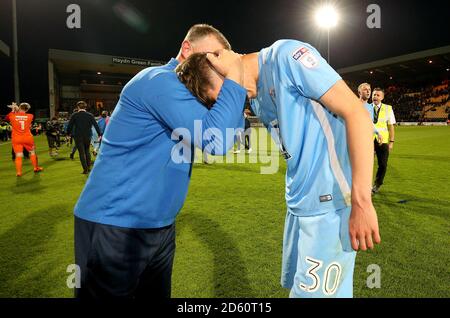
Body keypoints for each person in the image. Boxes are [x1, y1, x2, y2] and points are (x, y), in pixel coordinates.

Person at [177, 39, 381, 298]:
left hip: (329, 206)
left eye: (220, 95)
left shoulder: (287, 56)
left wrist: (361, 202)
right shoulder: (256, 96)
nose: (226, 104)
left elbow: (357, 113)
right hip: (298, 205)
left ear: (223, 65)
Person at [73, 24, 246, 299]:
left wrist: (238, 91)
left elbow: (231, 136)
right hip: (116, 222)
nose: (218, 66)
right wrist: (236, 77)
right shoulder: (157, 80)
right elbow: (216, 141)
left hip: (158, 225)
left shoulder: (192, 94)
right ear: (186, 49)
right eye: (212, 56)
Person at [5, 102, 43, 176]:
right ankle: (35, 168)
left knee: (18, 155)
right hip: (27, 138)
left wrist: (13, 109)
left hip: (16, 138)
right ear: (27, 109)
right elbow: (22, 116)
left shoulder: (13, 115)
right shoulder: (30, 116)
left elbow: (6, 118)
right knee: (32, 152)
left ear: (19, 108)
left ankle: (19, 172)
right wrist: (17, 108)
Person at [370, 88, 396, 194]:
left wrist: (391, 142)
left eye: (378, 95)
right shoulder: (366, 107)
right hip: (368, 139)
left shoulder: (388, 108)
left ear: (382, 97)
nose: (375, 97)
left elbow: (391, 127)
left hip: (383, 140)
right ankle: (365, 185)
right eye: (374, 94)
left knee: (383, 165)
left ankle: (377, 184)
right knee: (366, 164)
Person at [67, 101, 102, 174]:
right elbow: (96, 125)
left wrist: (68, 134)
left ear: (78, 107)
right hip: (88, 136)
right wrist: (99, 134)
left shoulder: (74, 115)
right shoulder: (90, 115)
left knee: (81, 153)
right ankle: (88, 167)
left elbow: (69, 126)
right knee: (87, 151)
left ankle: (85, 169)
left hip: (78, 136)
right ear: (85, 107)